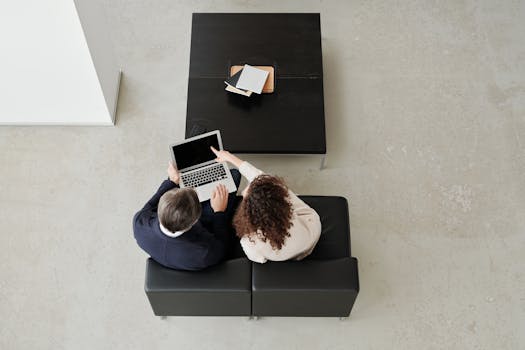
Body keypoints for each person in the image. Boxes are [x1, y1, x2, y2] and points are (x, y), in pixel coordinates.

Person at [211, 147, 322, 263]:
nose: (243, 193)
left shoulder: (249, 242)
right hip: (311, 232)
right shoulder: (283, 200)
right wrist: (230, 157)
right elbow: (261, 178)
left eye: (244, 197)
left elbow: (260, 260)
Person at [133, 162, 241, 270]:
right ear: (194, 221)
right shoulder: (204, 253)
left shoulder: (139, 223)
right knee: (235, 174)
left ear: (160, 208)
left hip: (182, 225)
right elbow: (222, 244)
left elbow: (153, 202)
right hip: (207, 225)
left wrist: (171, 181)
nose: (193, 190)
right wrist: (219, 212)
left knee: (183, 175)